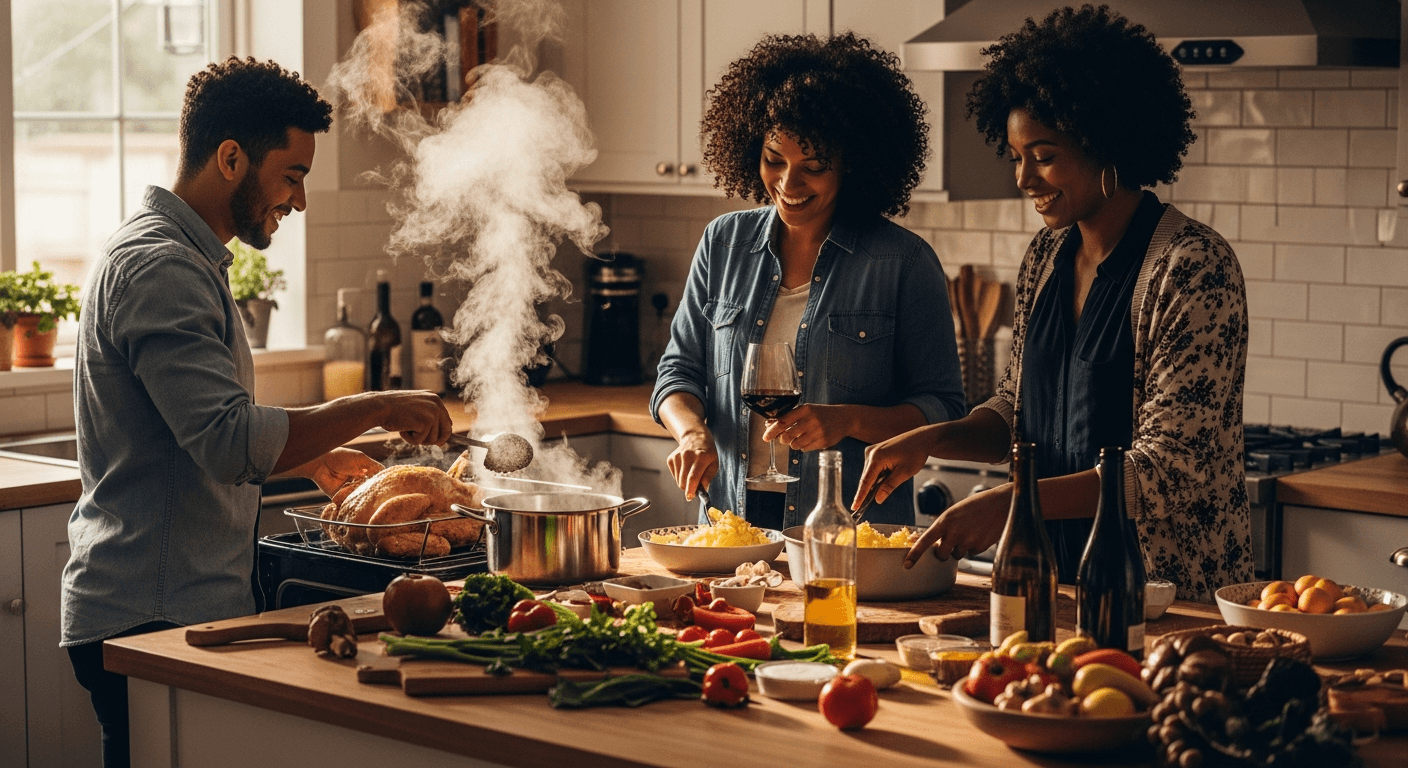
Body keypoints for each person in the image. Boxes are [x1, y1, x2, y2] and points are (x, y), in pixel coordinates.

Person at [61, 57, 455, 768]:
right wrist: (379, 405)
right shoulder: (162, 268)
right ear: (232, 157)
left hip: (167, 608)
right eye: (294, 174)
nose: (299, 201)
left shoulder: (185, 257)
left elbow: (195, 427)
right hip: (151, 613)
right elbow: (227, 442)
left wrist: (309, 452)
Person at [853, 5, 1252, 603]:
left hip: (1164, 601)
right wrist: (933, 439)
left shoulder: (1192, 268)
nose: (1024, 179)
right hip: (1051, 587)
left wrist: (1017, 499)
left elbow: (1168, 470)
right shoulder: (1045, 257)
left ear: (1106, 143)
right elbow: (1020, 410)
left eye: (1043, 155)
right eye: (1016, 157)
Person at [651, 32, 966, 533]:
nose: (788, 184)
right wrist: (690, 433)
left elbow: (943, 409)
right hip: (731, 522)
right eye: (775, 159)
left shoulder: (903, 262)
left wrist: (848, 421)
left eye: (814, 168)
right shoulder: (722, 243)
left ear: (853, 166)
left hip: (848, 531)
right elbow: (677, 373)